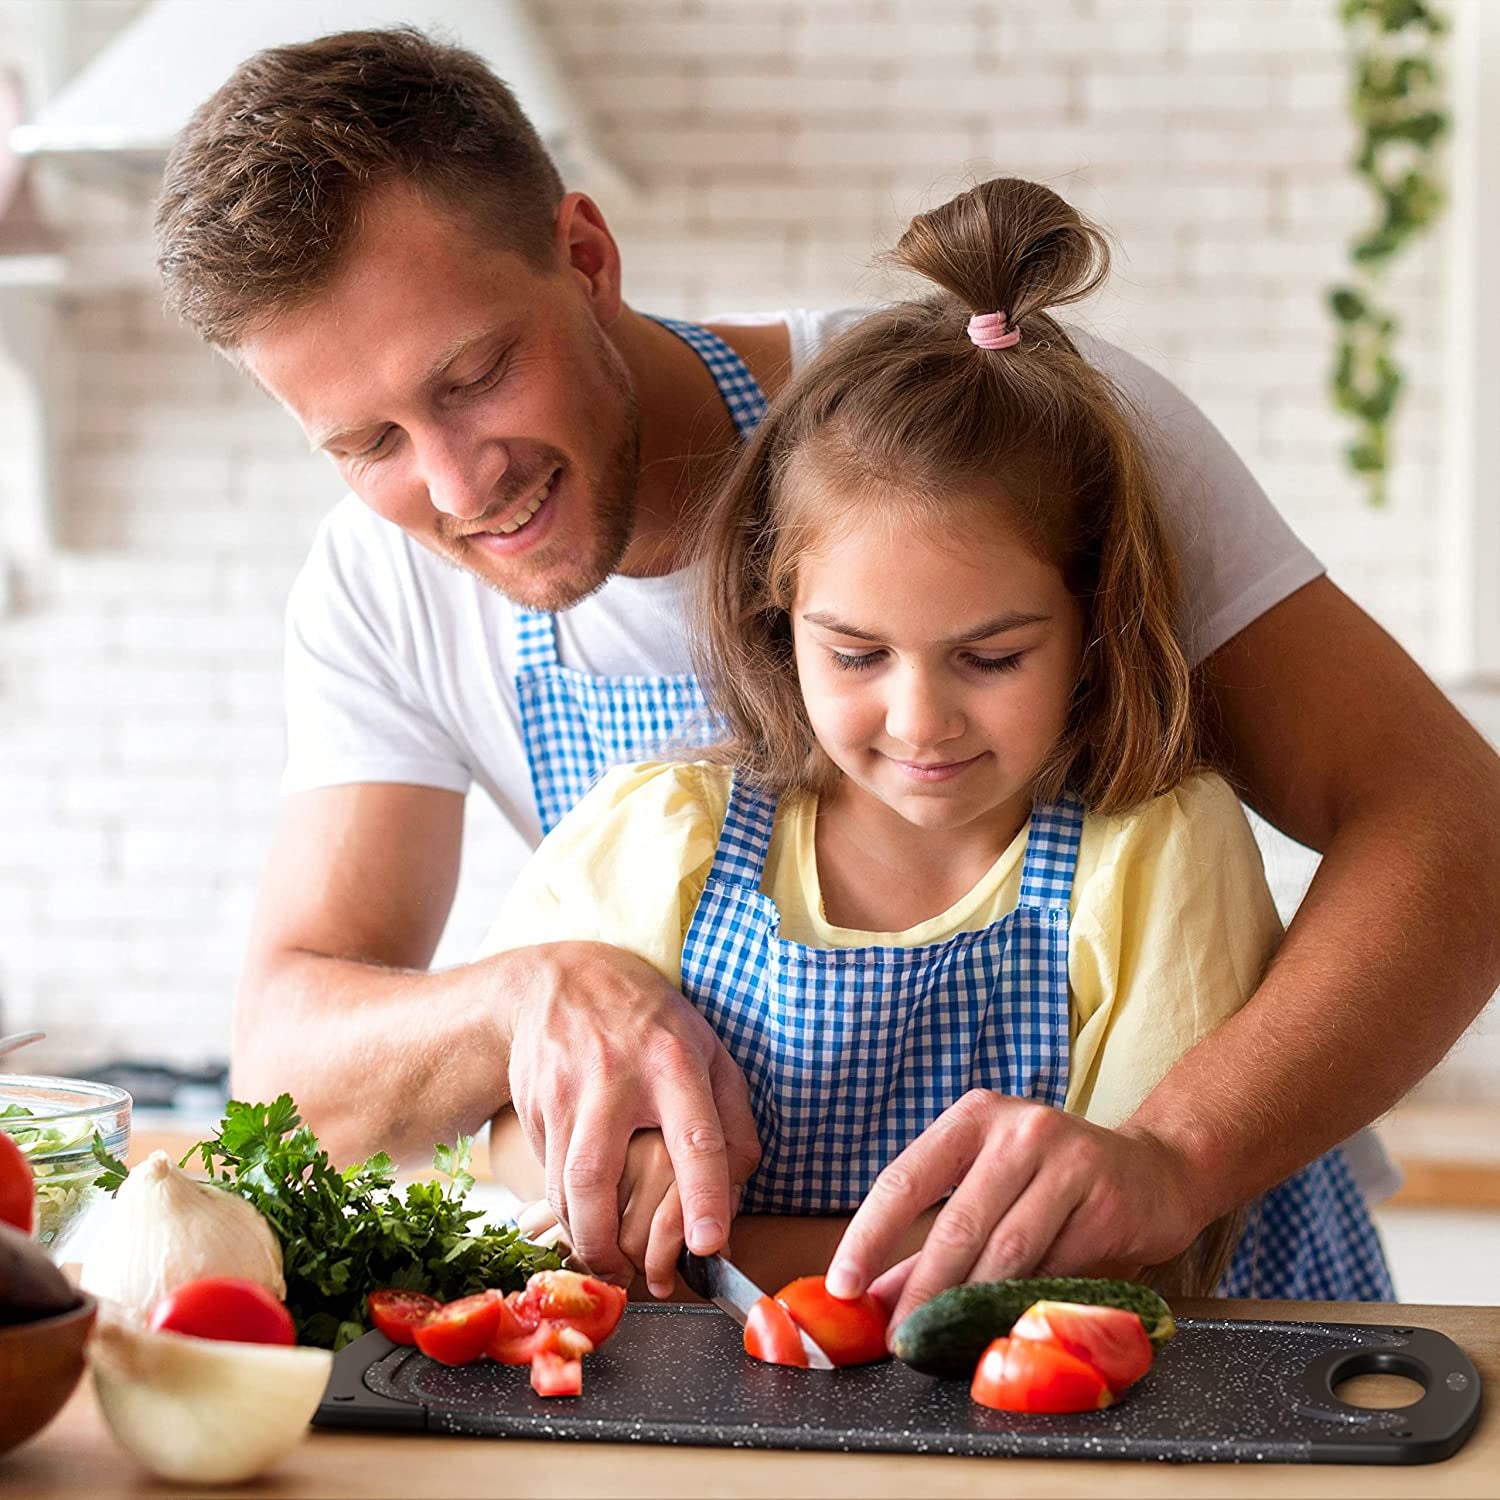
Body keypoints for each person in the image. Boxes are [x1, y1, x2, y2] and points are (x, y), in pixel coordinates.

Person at [153, 27, 1500, 1302]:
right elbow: (288, 1068)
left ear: (584, 250)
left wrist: (1178, 1158)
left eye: (475, 373)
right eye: (366, 443)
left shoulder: (1001, 421)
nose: (457, 484)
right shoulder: (379, 590)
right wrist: (530, 999)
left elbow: (1456, 827)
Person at [478, 175, 1395, 1316]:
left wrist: (714, 1245)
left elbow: (1105, 1253)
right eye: (856, 657)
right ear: (779, 615)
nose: (920, 722)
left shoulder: (1156, 853)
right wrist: (594, 1162)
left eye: (993, 657)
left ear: (1092, 626)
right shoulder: (661, 831)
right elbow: (504, 1131)